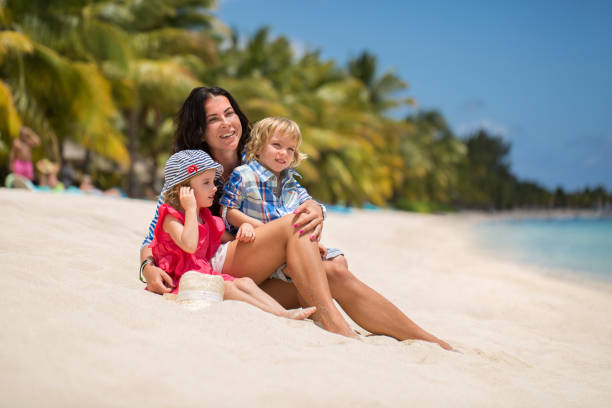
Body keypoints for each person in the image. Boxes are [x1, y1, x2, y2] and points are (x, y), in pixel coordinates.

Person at [140, 86, 451, 348]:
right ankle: (332, 322)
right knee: (292, 228)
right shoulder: (192, 172)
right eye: (213, 119)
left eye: (229, 113)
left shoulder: (262, 157)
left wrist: (315, 207)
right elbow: (153, 235)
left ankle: (428, 341)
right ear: (199, 130)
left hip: (262, 277)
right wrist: (148, 267)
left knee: (335, 273)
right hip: (224, 268)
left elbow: (294, 196)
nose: (226, 123)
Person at [150, 149, 316, 320]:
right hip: (182, 281)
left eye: (213, 181)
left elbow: (229, 240)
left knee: (245, 282)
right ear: (184, 190)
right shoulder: (171, 218)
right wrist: (191, 208)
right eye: (206, 182)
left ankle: (281, 312)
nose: (214, 188)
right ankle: (279, 314)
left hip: (204, 273)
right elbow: (190, 244)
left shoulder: (206, 217)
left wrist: (245, 227)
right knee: (227, 287)